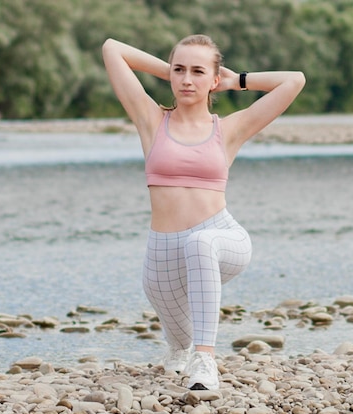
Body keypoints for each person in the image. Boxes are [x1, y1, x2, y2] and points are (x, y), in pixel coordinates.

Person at [102, 34, 305, 390]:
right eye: (179, 70)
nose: (186, 79)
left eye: (198, 72)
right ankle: (181, 351)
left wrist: (237, 80)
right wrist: (172, 71)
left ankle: (206, 360)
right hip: (162, 256)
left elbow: (295, 80)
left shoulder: (228, 129)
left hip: (222, 236)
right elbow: (111, 49)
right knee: (178, 340)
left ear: (214, 80)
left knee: (201, 243)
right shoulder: (151, 120)